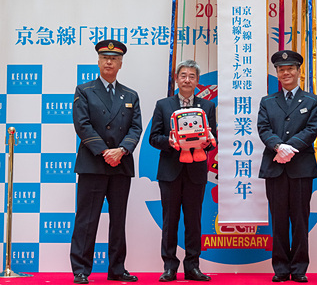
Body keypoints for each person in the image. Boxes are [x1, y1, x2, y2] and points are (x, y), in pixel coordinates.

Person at [70, 40, 142, 284]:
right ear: (98, 61)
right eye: (104, 58)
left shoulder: (130, 95)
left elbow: (135, 128)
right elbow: (82, 125)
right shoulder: (84, 90)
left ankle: (117, 269)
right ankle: (81, 269)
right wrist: (105, 152)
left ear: (121, 63)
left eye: (114, 59)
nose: (109, 62)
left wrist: (121, 150)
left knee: (119, 219)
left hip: (121, 164)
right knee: (87, 219)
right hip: (93, 163)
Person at [257, 50, 317, 283]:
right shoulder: (267, 101)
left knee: (300, 219)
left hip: (301, 167)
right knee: (279, 219)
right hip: (275, 167)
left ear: (298, 71)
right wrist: (278, 147)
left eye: (290, 68)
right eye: (281, 69)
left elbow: (312, 129)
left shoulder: (313, 101)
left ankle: (300, 268)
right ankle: (281, 268)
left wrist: (290, 147)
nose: (286, 72)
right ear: (277, 73)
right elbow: (263, 129)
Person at [149, 60, 216, 282]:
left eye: (192, 76)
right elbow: (153, 138)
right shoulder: (163, 105)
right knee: (170, 221)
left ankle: (192, 266)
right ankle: (169, 266)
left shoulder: (207, 106)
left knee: (194, 220)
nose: (187, 80)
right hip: (170, 171)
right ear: (176, 79)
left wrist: (206, 142)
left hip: (196, 171)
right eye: (183, 75)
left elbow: (211, 139)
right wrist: (170, 142)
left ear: (197, 82)